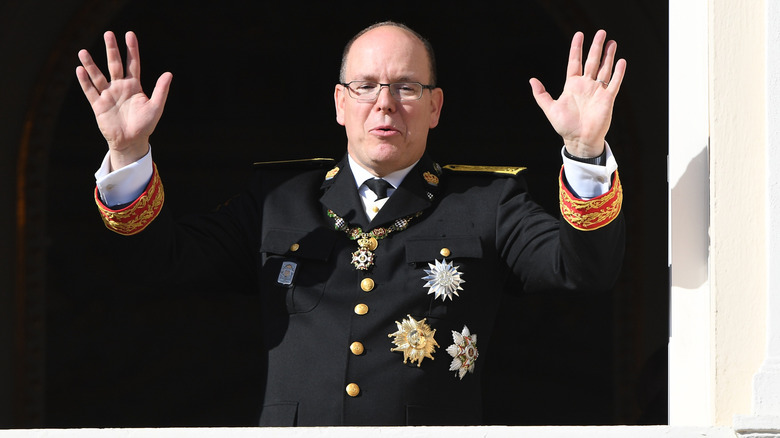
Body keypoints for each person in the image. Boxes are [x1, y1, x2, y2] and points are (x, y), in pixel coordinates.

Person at [75, 21, 625, 426]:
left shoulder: (487, 201)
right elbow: (162, 262)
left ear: (436, 108)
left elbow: (582, 270)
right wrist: (129, 154)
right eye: (366, 86)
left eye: (407, 87)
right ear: (340, 103)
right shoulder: (280, 200)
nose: (385, 104)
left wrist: (583, 150)